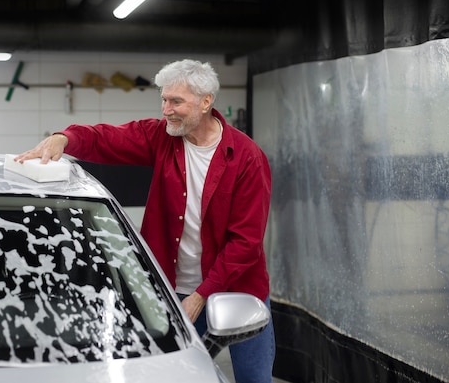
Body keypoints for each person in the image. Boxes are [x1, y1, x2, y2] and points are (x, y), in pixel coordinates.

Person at [15, 59, 275, 383]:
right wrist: (64, 138)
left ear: (206, 102)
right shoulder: (160, 137)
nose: (166, 110)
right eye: (164, 100)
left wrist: (200, 296)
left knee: (254, 379)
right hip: (174, 290)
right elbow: (106, 139)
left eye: (176, 101)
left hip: (236, 291)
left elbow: (245, 243)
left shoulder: (248, 157)